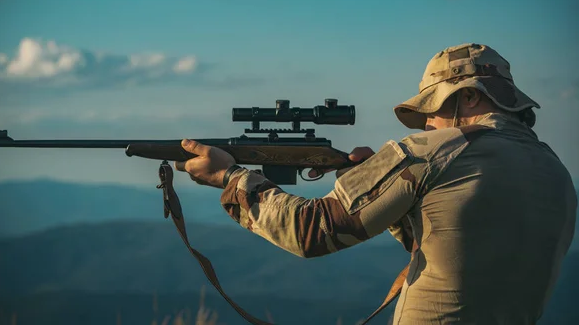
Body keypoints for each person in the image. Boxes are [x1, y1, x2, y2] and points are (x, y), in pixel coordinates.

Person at [174, 43, 577, 324]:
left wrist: (230, 176)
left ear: (469, 97)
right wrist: (374, 187)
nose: (428, 122)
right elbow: (452, 244)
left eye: (433, 107)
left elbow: (309, 232)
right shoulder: (554, 171)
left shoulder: (430, 151)